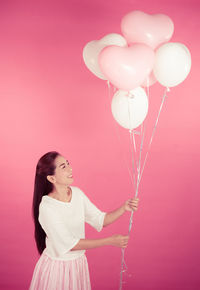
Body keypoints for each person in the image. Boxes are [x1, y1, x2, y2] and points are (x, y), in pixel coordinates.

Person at [29, 151, 139, 290]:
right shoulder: (47, 207)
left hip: (78, 265)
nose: (70, 168)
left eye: (68, 163)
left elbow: (100, 220)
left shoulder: (77, 194)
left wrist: (124, 207)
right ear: (51, 178)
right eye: (63, 167)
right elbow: (71, 244)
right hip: (58, 269)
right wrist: (110, 241)